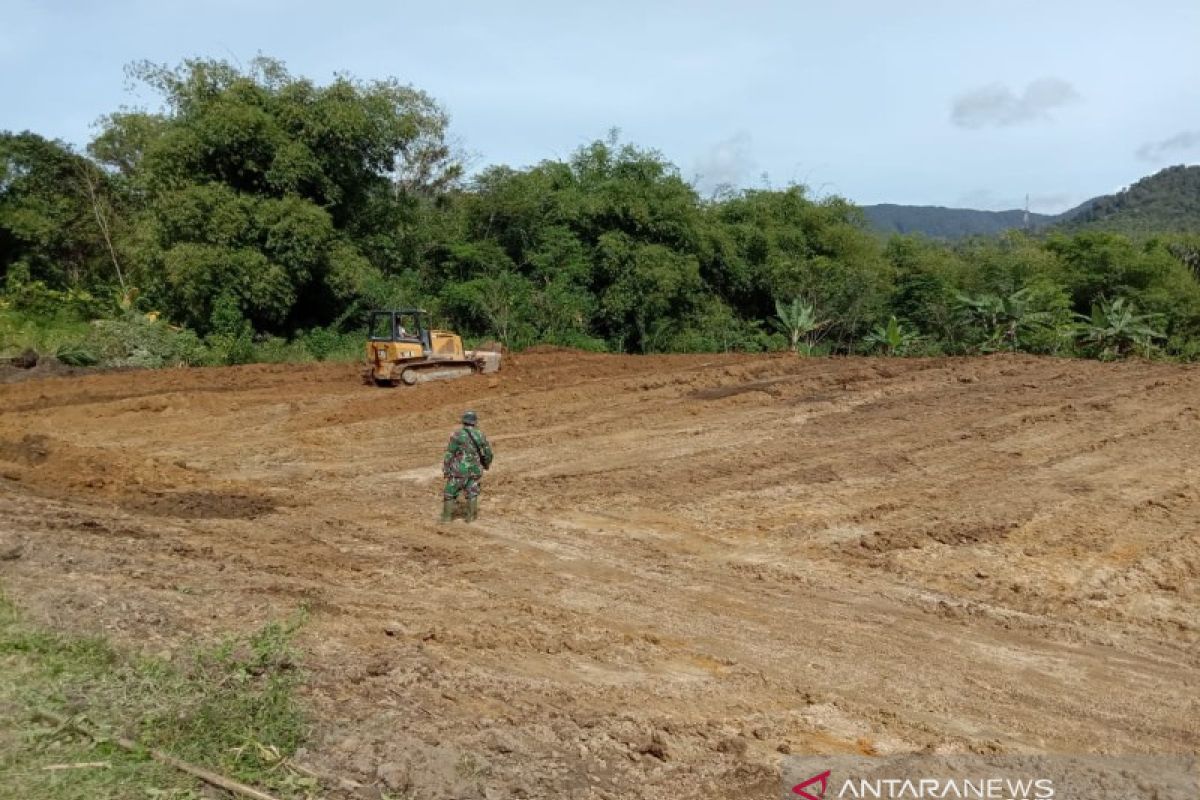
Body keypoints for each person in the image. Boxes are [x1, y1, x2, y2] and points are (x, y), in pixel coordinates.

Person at [441, 410, 493, 522]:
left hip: (459, 470)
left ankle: (446, 519)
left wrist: (446, 468)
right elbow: (488, 453)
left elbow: (450, 453)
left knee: (449, 493)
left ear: (463, 421)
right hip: (475, 470)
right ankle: (471, 518)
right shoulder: (480, 434)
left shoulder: (457, 435)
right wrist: (486, 465)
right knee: (472, 493)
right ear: (474, 422)